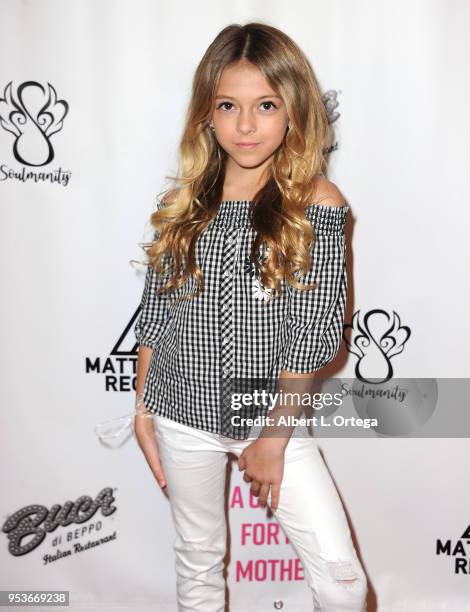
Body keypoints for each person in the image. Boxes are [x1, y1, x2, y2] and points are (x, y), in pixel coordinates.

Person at [133, 21, 368, 612]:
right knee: (199, 563)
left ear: (293, 111)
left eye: (265, 105)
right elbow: (157, 314)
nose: (245, 125)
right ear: (206, 115)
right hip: (178, 408)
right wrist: (141, 408)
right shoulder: (181, 203)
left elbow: (316, 337)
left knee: (344, 586)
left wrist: (272, 437)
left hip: (268, 413)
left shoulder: (317, 203)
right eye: (228, 106)